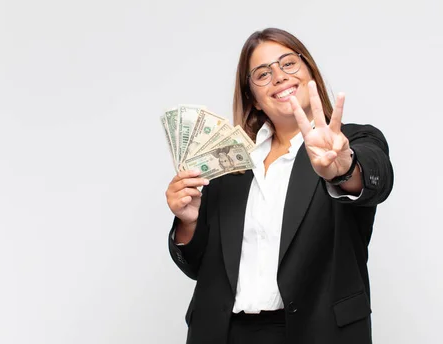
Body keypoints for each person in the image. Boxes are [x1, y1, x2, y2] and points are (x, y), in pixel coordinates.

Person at [166, 28, 393, 344]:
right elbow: (201, 269)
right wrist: (189, 222)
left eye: (288, 63)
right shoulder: (229, 164)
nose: (279, 77)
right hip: (225, 333)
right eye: (262, 74)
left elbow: (374, 179)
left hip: (316, 332)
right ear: (253, 99)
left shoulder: (352, 142)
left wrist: (342, 169)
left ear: (309, 73)